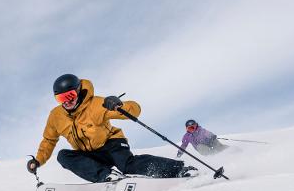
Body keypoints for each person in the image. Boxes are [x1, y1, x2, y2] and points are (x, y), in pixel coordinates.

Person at [26, 74, 195, 182]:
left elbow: (134, 110)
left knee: (128, 165)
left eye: (70, 96)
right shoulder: (56, 116)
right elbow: (49, 140)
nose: (67, 101)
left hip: (111, 145)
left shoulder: (95, 104)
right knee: (63, 156)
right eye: (61, 98)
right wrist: (38, 160)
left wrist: (118, 105)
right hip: (89, 154)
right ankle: (106, 175)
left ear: (79, 92)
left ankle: (180, 169)